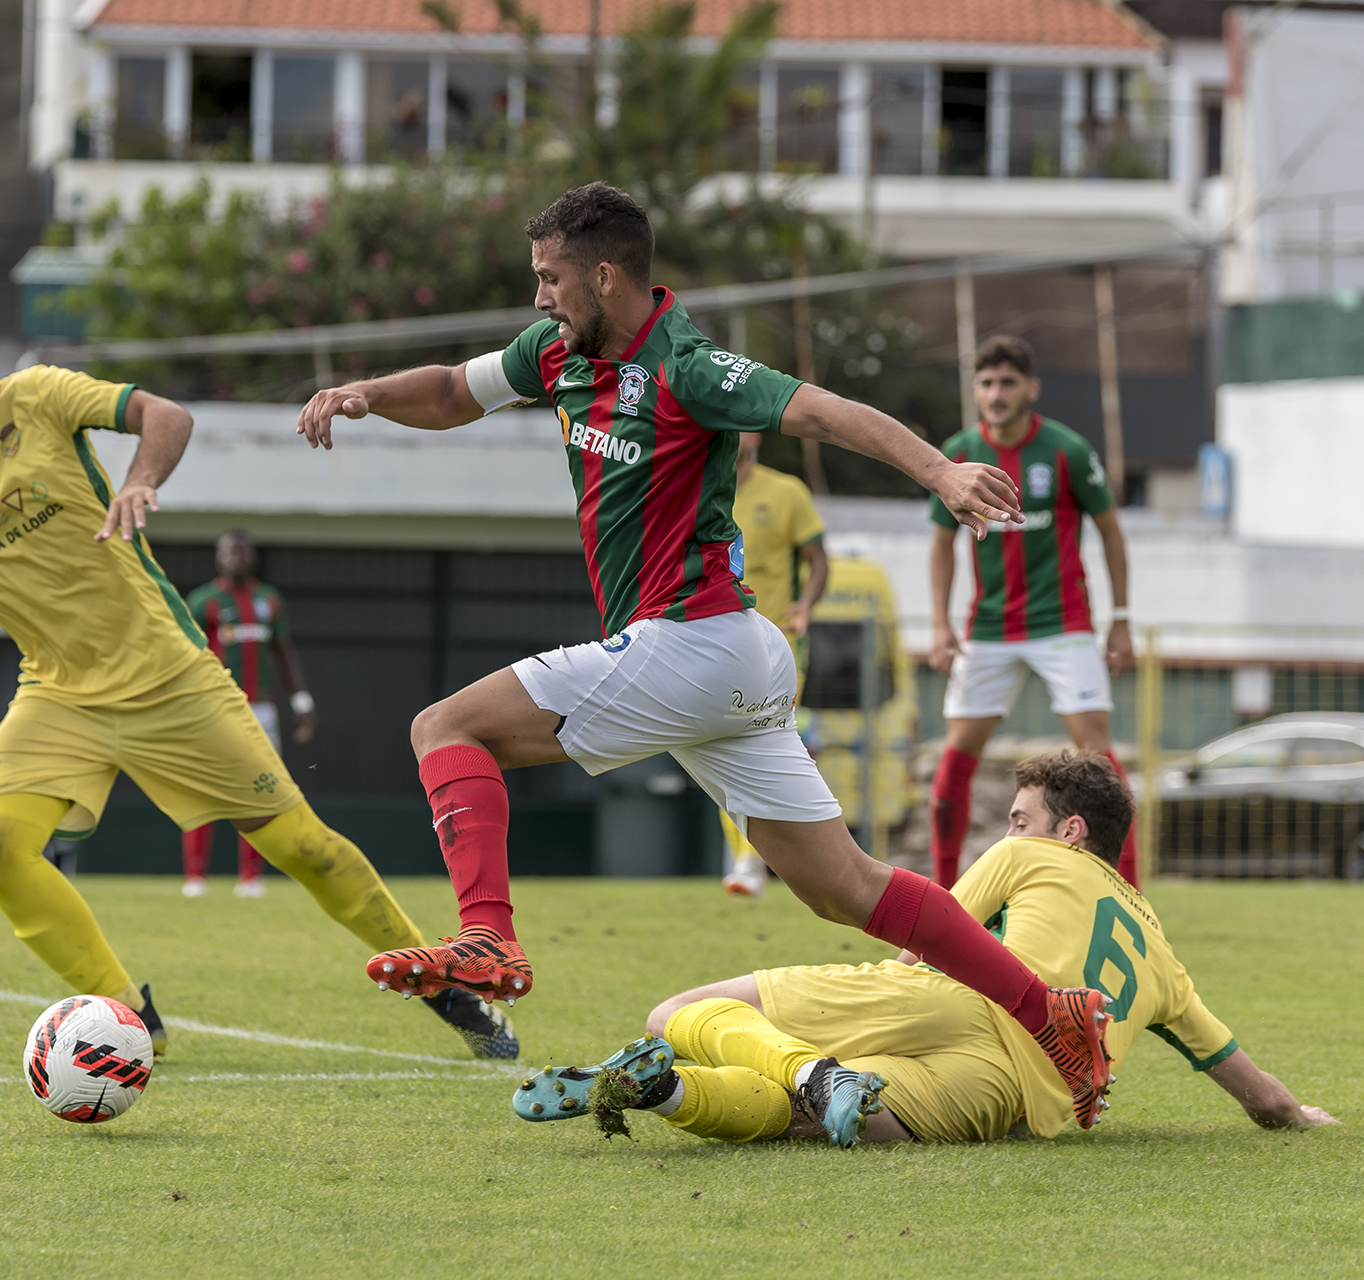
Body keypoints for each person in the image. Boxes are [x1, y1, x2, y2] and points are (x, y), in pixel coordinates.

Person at [296, 182, 1115, 1125]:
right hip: (730, 660)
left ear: (605, 276)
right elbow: (449, 392)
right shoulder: (558, 353)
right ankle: (1049, 1014)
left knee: (447, 728)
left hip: (693, 641)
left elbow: (819, 411)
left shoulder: (690, 367)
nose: (539, 299)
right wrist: (364, 394)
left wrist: (939, 470)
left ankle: (489, 939)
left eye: (550, 279)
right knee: (844, 887)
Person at [0, 302, 516, 1062]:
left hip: (170, 677)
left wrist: (138, 480)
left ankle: (445, 989)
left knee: (304, 848)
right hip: (57, 693)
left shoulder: (42, 396)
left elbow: (168, 416)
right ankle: (129, 1017)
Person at [523, 750, 1338, 1147]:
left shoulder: (1034, 856)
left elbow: (926, 939)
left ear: (1070, 831)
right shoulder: (1165, 960)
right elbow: (1258, 1094)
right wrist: (1299, 1115)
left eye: (1019, 817)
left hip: (967, 1003)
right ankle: (667, 1095)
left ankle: (773, 1067)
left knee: (677, 1012)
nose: (1010, 830)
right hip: (1012, 1097)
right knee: (822, 1124)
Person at [928, 335, 1137, 890]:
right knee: (955, 759)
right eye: (987, 383)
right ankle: (944, 895)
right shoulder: (958, 452)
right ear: (976, 390)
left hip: (1063, 623)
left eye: (1007, 383)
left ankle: (1128, 892)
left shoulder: (1066, 450)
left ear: (1030, 389)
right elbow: (939, 543)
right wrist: (940, 624)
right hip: (989, 628)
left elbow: (1111, 531)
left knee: (1098, 757)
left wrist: (1120, 617)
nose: (996, 393)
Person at [179, 528, 317, 899]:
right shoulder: (201, 601)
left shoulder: (268, 601)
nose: (235, 558)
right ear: (218, 557)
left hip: (261, 709)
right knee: (205, 788)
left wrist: (301, 701)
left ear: (252, 557)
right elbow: (186, 655)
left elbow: (282, 652)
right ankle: (195, 877)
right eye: (229, 552)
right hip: (214, 708)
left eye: (242, 551)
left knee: (261, 791)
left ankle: (251, 878)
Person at [720, 431, 828, 898]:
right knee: (721, 747)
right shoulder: (696, 484)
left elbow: (819, 560)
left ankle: (756, 859)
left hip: (778, 645)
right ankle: (753, 858)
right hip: (716, 640)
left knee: (767, 746)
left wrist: (805, 604)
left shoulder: (786, 492)